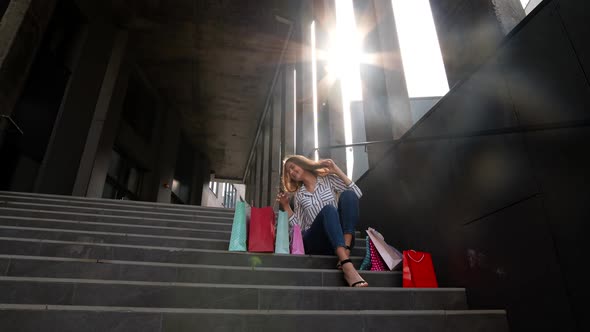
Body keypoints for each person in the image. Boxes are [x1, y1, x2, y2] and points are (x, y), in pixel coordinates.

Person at [276, 155, 368, 287]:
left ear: (302, 164)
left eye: (292, 167)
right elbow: (299, 227)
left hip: (337, 238)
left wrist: (336, 170)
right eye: (288, 172)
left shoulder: (328, 180)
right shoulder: (299, 195)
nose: (291, 172)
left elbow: (356, 194)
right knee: (329, 210)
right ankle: (347, 266)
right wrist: (286, 206)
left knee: (348, 194)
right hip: (316, 240)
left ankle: (345, 250)